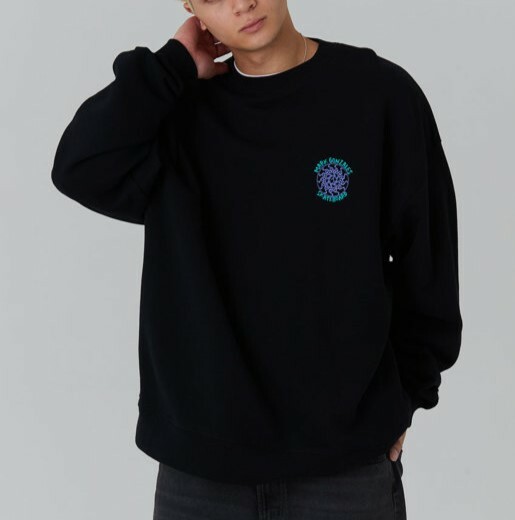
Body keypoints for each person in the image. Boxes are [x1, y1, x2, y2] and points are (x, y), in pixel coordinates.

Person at [51, 0, 463, 518]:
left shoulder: (377, 95)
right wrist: (172, 64)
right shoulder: (179, 113)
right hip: (200, 478)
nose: (241, 2)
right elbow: (79, 166)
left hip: (346, 471)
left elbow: (427, 259)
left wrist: (407, 397)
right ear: (190, 6)